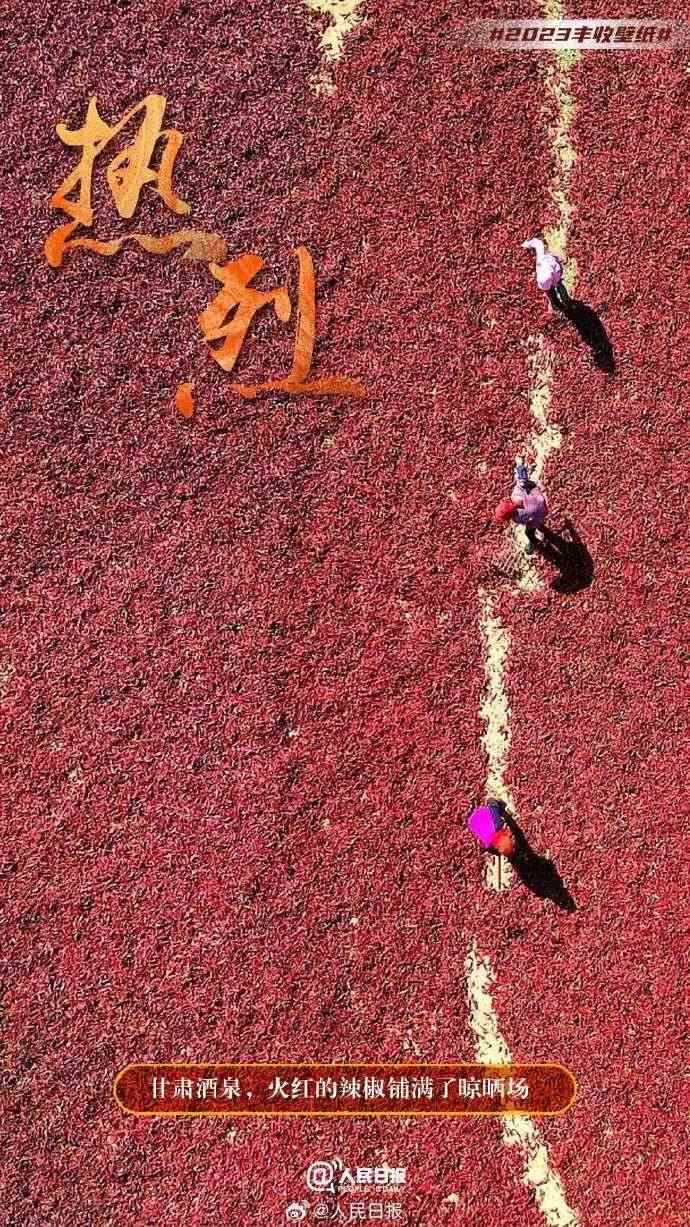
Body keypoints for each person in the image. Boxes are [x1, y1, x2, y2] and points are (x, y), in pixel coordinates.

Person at [493, 459, 549, 555]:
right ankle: (541, 528)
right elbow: (522, 479)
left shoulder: (518, 518)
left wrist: (531, 523)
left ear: (510, 516)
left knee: (529, 532)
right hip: (539, 497)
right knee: (537, 519)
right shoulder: (516, 493)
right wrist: (520, 465)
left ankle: (534, 543)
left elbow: (528, 522)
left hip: (540, 513)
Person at [522, 236, 573, 314]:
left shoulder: (547, 276)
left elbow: (550, 287)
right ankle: (561, 303)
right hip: (554, 270)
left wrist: (554, 285)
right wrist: (527, 244)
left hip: (555, 274)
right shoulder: (542, 259)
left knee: (556, 290)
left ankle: (564, 303)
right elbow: (538, 244)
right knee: (556, 290)